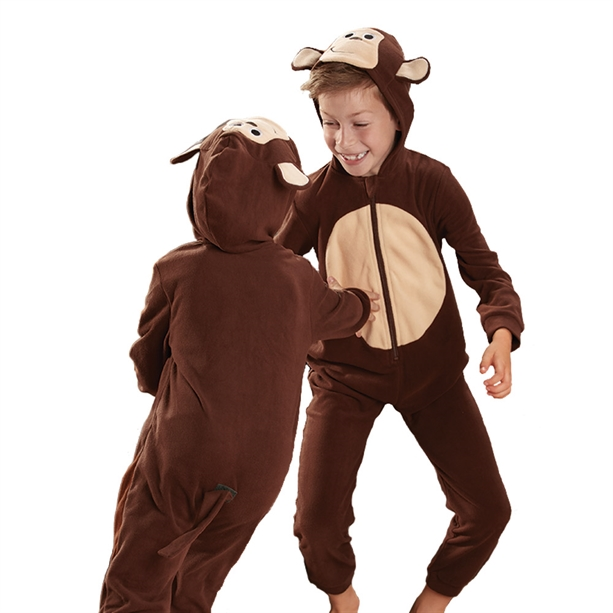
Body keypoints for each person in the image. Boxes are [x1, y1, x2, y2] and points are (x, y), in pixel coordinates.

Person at [276, 29, 524, 613]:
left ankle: (430, 605)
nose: (343, 141)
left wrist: (501, 332)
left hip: (434, 375)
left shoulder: (432, 182)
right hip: (343, 378)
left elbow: (485, 269)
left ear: (397, 114)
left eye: (360, 123)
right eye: (329, 124)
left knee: (489, 510)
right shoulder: (314, 196)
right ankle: (344, 602)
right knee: (315, 523)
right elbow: (274, 276)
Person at [99, 117, 377, 613]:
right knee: (197, 583)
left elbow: (148, 356)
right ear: (283, 192)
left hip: (184, 454)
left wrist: (164, 389)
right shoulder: (298, 279)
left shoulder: (177, 269)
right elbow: (347, 312)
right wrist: (361, 299)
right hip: (259, 473)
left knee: (138, 578)